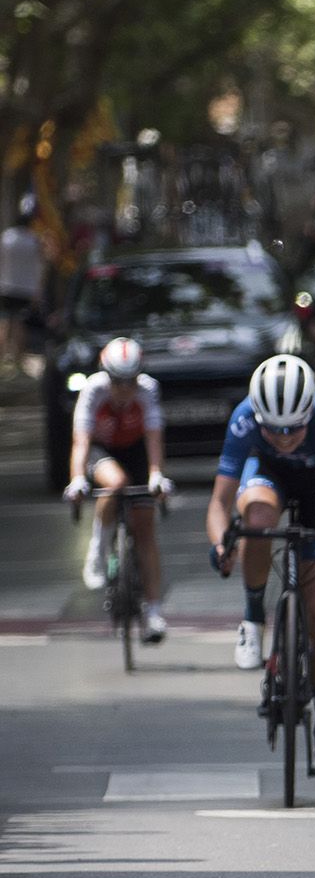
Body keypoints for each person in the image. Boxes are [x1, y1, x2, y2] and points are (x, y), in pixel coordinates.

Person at [204, 355, 315, 772]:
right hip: (268, 479)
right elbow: (219, 502)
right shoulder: (244, 418)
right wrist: (219, 545)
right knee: (258, 521)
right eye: (273, 429)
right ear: (257, 417)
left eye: (293, 429)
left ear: (309, 414)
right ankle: (252, 618)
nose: (283, 438)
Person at [63, 338, 172, 642]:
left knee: (145, 530)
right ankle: (98, 547)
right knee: (116, 483)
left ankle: (153, 612)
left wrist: (156, 475)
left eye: (130, 381)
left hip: (135, 450)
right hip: (102, 450)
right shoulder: (93, 390)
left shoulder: (148, 389)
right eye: (117, 381)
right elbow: (81, 442)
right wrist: (77, 479)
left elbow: (153, 437)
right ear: (105, 374)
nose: (124, 388)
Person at [0, 196, 46, 375]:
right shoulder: (33, 240)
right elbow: (40, 265)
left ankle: (4, 358)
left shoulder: (6, 238)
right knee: (20, 323)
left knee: (5, 322)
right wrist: (38, 290)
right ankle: (18, 360)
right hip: (25, 289)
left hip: (5, 285)